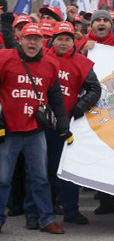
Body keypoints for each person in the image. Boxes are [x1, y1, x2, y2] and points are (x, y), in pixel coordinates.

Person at [0, 23, 72, 234]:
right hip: (10, 131)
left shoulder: (51, 64)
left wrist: (63, 126)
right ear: (20, 39)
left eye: (36, 39)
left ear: (43, 42)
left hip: (35, 130)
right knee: (3, 179)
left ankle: (46, 219)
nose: (32, 42)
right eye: (28, 38)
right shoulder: (4, 58)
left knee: (40, 178)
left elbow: (56, 98)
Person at [37, 21, 101, 225]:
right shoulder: (41, 58)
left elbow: (95, 89)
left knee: (66, 169)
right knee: (42, 170)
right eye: (60, 39)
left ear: (73, 42)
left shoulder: (82, 62)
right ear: (52, 41)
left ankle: (71, 211)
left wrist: (80, 108)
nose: (63, 43)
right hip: (41, 123)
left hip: (66, 125)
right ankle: (44, 211)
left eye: (67, 39)